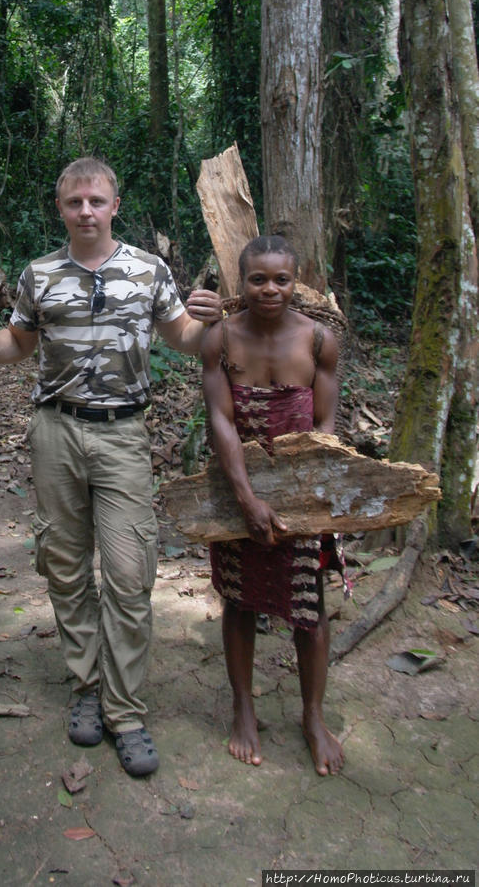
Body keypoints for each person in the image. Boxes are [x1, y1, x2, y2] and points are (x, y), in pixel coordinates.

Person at [0, 156, 222, 776]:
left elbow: (182, 339)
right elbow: (16, 347)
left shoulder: (148, 270)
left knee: (130, 573)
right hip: (55, 430)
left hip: (123, 434)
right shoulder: (40, 274)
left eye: (96, 201)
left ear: (114, 204)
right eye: (75, 202)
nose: (85, 211)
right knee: (65, 564)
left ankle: (125, 710)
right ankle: (85, 686)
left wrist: (215, 319)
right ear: (61, 208)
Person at [201, 235, 345, 776]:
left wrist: (304, 495)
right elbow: (221, 420)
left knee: (310, 606)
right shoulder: (219, 339)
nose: (269, 290)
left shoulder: (319, 341)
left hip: (302, 492)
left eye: (280, 279)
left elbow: (327, 424)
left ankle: (313, 716)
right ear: (241, 282)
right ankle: (244, 707)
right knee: (239, 600)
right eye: (257, 279)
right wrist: (246, 498)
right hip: (239, 488)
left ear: (296, 280)